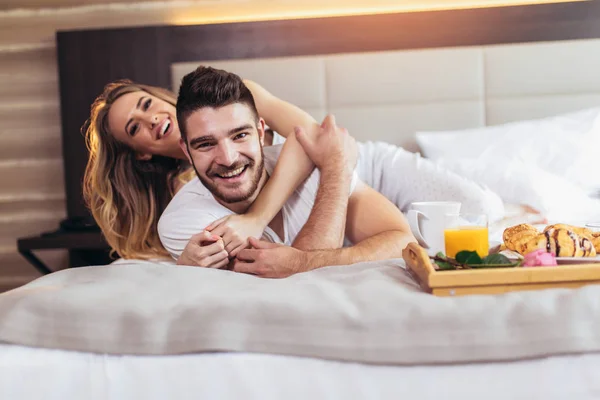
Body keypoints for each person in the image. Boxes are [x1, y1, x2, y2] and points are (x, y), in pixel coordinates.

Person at [83, 71, 504, 265]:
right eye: (134, 127)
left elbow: (313, 139)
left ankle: (524, 214)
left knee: (481, 208)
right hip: (332, 193)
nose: (151, 119)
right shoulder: (187, 192)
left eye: (145, 105)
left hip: (355, 165)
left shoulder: (235, 95)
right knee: (428, 236)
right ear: (139, 151)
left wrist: (256, 217)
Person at [158, 66, 417, 277]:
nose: (227, 159)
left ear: (261, 131)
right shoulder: (185, 221)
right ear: (186, 150)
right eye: (206, 144)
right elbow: (292, 289)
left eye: (240, 135)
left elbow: (403, 241)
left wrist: (337, 170)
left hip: (366, 158)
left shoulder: (320, 165)